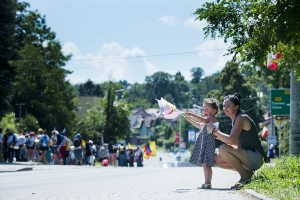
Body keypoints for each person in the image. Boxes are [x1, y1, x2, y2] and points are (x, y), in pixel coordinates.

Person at [207, 93, 267, 190]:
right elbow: (237, 143)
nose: (225, 108)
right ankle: (247, 174)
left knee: (223, 149)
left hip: (256, 157)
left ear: (237, 106)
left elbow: (231, 140)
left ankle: (245, 177)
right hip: (248, 156)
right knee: (215, 159)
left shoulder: (241, 118)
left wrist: (215, 131)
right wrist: (217, 136)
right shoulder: (235, 119)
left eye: (228, 105)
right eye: (224, 106)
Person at [183, 98, 219, 189]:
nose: (205, 111)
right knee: (204, 163)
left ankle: (207, 183)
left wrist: (191, 114)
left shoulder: (211, 118)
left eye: (207, 109)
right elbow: (199, 125)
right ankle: (207, 182)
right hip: (205, 144)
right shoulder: (207, 120)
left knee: (206, 163)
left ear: (214, 111)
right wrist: (189, 119)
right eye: (204, 109)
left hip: (208, 144)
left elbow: (203, 120)